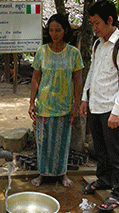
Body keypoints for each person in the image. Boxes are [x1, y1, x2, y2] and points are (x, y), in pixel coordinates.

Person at [79, 0, 119, 211]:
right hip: (95, 105)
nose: (94, 27)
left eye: (97, 23)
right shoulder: (97, 44)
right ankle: (103, 180)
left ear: (110, 20)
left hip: (112, 110)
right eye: (92, 23)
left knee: (117, 152)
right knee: (100, 149)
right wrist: (85, 99)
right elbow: (92, 73)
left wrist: (116, 113)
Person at [28, 13, 84, 188]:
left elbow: (78, 81)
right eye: (51, 30)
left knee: (62, 142)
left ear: (65, 30)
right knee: (42, 142)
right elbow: (36, 78)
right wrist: (31, 102)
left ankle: (63, 174)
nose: (54, 33)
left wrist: (75, 106)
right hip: (44, 105)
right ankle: (42, 174)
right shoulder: (41, 52)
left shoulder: (73, 53)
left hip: (64, 107)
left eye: (58, 30)